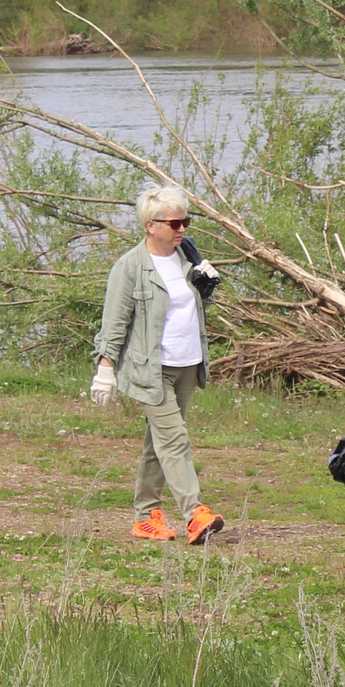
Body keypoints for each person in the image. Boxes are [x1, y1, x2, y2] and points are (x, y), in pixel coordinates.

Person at [91, 185, 225, 545]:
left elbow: (192, 308)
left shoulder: (187, 257)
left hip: (187, 364)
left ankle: (146, 515)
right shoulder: (130, 266)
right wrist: (105, 370)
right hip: (151, 369)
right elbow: (115, 321)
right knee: (175, 439)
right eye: (175, 222)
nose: (182, 229)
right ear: (151, 225)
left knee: (160, 442)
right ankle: (195, 514)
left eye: (186, 221)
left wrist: (206, 288)